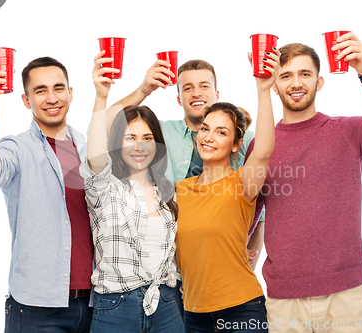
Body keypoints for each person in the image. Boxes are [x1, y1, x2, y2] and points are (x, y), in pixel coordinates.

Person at [245, 33, 362, 332]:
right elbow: (249, 213)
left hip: (344, 295)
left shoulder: (347, 132)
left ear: (319, 82)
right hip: (284, 300)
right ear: (274, 85)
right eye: (285, 75)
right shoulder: (262, 146)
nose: (296, 83)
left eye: (305, 74)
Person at [111, 57, 265, 314]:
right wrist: (143, 90)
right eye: (187, 88)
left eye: (204, 86)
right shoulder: (159, 133)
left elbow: (259, 204)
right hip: (167, 276)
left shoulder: (244, 138)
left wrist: (253, 251)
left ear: (217, 93)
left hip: (222, 274)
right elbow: (110, 127)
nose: (196, 93)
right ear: (178, 98)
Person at [0, 57, 93, 332]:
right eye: (40, 90)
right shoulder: (18, 147)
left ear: (71, 93)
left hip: (95, 303)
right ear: (26, 100)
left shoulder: (87, 146)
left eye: (58, 88)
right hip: (37, 309)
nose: (52, 98)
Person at [174, 49, 280, 333]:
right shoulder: (180, 190)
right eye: (206, 129)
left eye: (221, 132)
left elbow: (265, 149)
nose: (209, 137)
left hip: (242, 308)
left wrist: (263, 89)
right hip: (193, 312)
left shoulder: (243, 184)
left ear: (236, 145)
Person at [80, 51, 184, 333]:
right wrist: (101, 96)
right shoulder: (104, 185)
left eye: (147, 138)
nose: (140, 146)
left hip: (165, 305)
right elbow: (96, 144)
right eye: (130, 138)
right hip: (116, 308)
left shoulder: (167, 192)